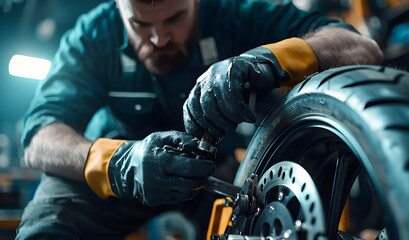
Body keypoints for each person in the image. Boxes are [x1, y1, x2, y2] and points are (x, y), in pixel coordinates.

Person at [16, 0, 383, 239]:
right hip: (120, 173)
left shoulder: (235, 13)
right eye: (140, 25)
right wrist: (118, 164)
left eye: (175, 18)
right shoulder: (92, 35)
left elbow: (363, 48)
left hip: (215, 175)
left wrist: (270, 60)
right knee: (48, 226)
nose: (159, 39)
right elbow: (39, 138)